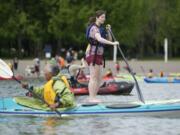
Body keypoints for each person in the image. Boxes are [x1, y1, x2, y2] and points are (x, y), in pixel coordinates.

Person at [85, 10, 119, 103]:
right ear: (97, 18)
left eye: (104, 17)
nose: (104, 19)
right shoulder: (94, 28)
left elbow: (108, 39)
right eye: (102, 17)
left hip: (99, 55)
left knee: (99, 78)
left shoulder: (101, 29)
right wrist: (113, 44)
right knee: (93, 77)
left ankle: (94, 97)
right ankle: (91, 98)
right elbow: (99, 39)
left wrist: (109, 31)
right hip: (93, 55)